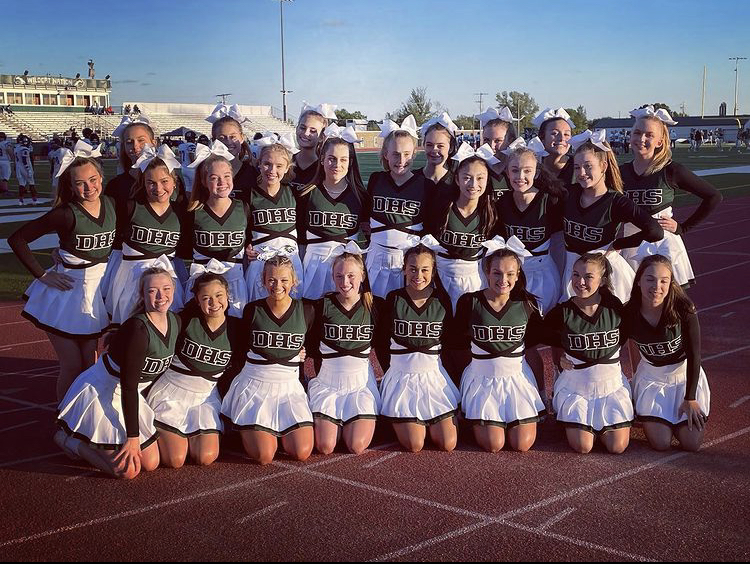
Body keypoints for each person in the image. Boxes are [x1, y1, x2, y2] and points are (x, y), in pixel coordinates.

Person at [9, 145, 114, 400]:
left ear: (101, 178)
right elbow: (18, 239)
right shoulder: (65, 213)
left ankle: (84, 417)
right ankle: (63, 419)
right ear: (70, 186)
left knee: (90, 365)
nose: (89, 188)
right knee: (71, 365)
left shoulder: (111, 205)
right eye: (80, 183)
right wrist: (42, 275)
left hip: (94, 295)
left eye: (92, 180)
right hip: (64, 295)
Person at [54, 267, 178, 478]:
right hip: (105, 392)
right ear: (142, 293)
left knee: (151, 463)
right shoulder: (138, 330)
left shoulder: (175, 320)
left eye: (166, 288)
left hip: (128, 396)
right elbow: (128, 386)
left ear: (174, 289)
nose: (161, 296)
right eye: (152, 290)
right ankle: (71, 441)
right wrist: (132, 437)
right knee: (126, 471)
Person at [221, 255, 315, 464]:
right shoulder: (253, 310)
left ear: (293, 280)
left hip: (288, 388)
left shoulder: (306, 310)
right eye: (271, 279)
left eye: (283, 280)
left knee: (301, 452)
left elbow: (312, 345)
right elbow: (240, 351)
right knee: (264, 456)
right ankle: (247, 427)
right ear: (263, 280)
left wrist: (302, 356)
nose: (277, 285)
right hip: (256, 387)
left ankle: (273, 430)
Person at [454, 247, 546, 452]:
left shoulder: (527, 305)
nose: (503, 279)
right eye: (497, 273)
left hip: (517, 382)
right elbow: (457, 346)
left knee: (522, 445)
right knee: (493, 445)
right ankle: (476, 419)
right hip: (482, 381)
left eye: (510, 274)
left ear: (518, 274)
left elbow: (533, 352)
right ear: (487, 272)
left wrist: (541, 393)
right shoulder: (469, 302)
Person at [147, 272, 242, 467]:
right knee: (175, 460)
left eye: (219, 296)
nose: (214, 302)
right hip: (172, 394)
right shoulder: (184, 321)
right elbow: (152, 328)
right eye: (206, 298)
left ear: (227, 296)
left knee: (204, 457)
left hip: (205, 399)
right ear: (197, 301)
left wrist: (298, 352)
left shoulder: (237, 327)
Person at [620, 106, 721, 287]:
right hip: (629, 244)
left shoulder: (671, 170)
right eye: (637, 132)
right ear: (630, 136)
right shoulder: (620, 172)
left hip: (661, 244)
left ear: (659, 141)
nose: (641, 138)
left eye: (649, 135)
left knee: (666, 301)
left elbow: (713, 196)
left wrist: (683, 227)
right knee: (630, 302)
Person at [560, 129, 663, 303]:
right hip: (572, 270)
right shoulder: (568, 194)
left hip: (604, 271)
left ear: (603, 166)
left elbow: (655, 231)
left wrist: (619, 244)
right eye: (577, 167)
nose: (582, 173)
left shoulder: (616, 201)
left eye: (588, 166)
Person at [544, 253, 633, 454]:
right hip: (577, 389)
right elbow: (539, 336)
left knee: (617, 447)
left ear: (602, 280)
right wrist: (559, 359)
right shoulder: (562, 312)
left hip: (611, 388)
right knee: (583, 446)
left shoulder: (614, 307)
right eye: (575, 275)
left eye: (588, 277)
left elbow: (626, 335)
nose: (580, 282)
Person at [374, 244, 460, 452]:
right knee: (415, 444)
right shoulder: (394, 299)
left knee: (448, 444)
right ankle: (394, 417)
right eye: (412, 269)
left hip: (432, 378)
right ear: (404, 269)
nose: (418, 275)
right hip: (402, 378)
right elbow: (381, 342)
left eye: (424, 269)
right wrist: (391, 372)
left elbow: (448, 344)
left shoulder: (442, 300)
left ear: (433, 271)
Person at [623, 254, 710, 452]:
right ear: (638, 281)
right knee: (660, 444)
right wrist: (571, 360)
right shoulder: (629, 313)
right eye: (650, 279)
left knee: (692, 444)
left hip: (682, 381)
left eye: (664, 281)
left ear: (671, 283)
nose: (657, 286)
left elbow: (695, 355)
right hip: (652, 381)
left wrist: (690, 398)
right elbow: (609, 346)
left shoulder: (684, 309)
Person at [306, 250, 381, 454]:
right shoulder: (321, 306)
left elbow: (383, 344)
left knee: (356, 446)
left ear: (362, 276)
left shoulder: (375, 306)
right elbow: (310, 345)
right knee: (325, 446)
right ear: (332, 277)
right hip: (328, 385)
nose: (345, 281)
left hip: (360, 385)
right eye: (339, 276)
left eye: (351, 276)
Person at [107, 145, 186, 325]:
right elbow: (104, 232)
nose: (158, 188)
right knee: (130, 329)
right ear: (143, 183)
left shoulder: (181, 212)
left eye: (164, 181)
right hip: (131, 280)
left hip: (167, 279)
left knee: (167, 329)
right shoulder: (130, 207)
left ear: (174, 182)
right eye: (151, 182)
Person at [298, 124, 370, 300]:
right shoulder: (307, 194)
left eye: (343, 159)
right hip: (313, 265)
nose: (337, 164)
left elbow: (370, 237)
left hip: (346, 269)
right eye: (331, 158)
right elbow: (299, 239)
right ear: (322, 159)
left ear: (350, 162)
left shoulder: (360, 196)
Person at [495, 138, 565, 314]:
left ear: (536, 173)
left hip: (543, 272)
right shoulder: (502, 203)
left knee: (542, 322)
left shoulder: (551, 202)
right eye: (515, 170)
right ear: (507, 173)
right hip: (512, 274)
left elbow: (559, 244)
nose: (520, 177)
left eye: (527, 171)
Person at [425, 141, 498, 310]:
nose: (473, 184)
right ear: (457, 179)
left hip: (474, 278)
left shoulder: (491, 213)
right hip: (441, 276)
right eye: (467, 177)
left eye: (480, 178)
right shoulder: (442, 207)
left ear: (487, 180)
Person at [183, 140, 251, 317]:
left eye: (227, 176)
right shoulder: (193, 211)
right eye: (214, 178)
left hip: (235, 279)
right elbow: (184, 247)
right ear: (204, 181)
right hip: (202, 282)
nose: (222, 182)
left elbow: (250, 239)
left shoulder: (243, 207)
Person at [366, 115, 427, 298]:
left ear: (414, 153)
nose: (401, 160)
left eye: (406, 154)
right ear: (386, 154)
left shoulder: (424, 185)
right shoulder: (376, 180)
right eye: (395, 154)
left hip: (407, 261)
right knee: (374, 307)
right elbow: (366, 214)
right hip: (376, 257)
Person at [243, 133, 304, 301]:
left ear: (287, 168)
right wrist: (247, 246)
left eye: (279, 166)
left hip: (291, 262)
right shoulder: (250, 195)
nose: (272, 170)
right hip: (260, 263)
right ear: (259, 164)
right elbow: (243, 230)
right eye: (267, 164)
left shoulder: (293, 193)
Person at [206, 104, 256, 202]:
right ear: (214, 140)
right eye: (221, 138)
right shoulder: (206, 170)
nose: (228, 142)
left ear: (242, 138)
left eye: (233, 137)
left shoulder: (253, 171)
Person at [292, 101, 337, 191]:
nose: (306, 133)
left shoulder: (324, 168)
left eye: (313, 131)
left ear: (321, 136)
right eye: (302, 128)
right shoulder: (285, 162)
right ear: (297, 128)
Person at [476, 106, 517, 196]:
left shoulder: (519, 169)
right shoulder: (476, 168)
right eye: (486, 140)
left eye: (498, 141)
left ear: (511, 140)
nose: (491, 146)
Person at [417, 112, 459, 196]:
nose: (434, 150)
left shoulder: (457, 182)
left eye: (440, 146)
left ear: (450, 148)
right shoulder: (413, 179)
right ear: (424, 145)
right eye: (429, 145)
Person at [533, 108, 575, 185]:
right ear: (542, 138)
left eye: (566, 134)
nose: (562, 138)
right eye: (554, 133)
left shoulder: (577, 166)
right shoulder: (533, 166)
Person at [14, 134, 37, 205]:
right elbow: (25, 160)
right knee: (31, 183)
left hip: (18, 167)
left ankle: (20, 201)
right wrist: (28, 169)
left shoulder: (16, 148)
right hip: (25, 168)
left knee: (21, 184)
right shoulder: (25, 149)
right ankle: (34, 200)